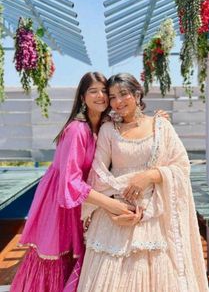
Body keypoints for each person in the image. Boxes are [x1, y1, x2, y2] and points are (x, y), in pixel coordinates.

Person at [77, 73, 209, 292]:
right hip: (116, 215)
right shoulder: (109, 130)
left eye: (123, 94)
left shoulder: (161, 126)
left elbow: (182, 166)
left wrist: (149, 176)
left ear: (137, 94)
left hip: (154, 216)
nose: (118, 102)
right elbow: (98, 173)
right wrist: (113, 210)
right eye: (112, 97)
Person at [10, 72, 138, 292]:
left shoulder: (104, 124)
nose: (101, 96)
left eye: (104, 91)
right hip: (60, 202)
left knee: (76, 259)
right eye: (93, 91)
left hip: (81, 200)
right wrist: (109, 204)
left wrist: (157, 120)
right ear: (82, 98)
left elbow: (131, 124)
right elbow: (70, 182)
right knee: (55, 258)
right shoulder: (77, 130)